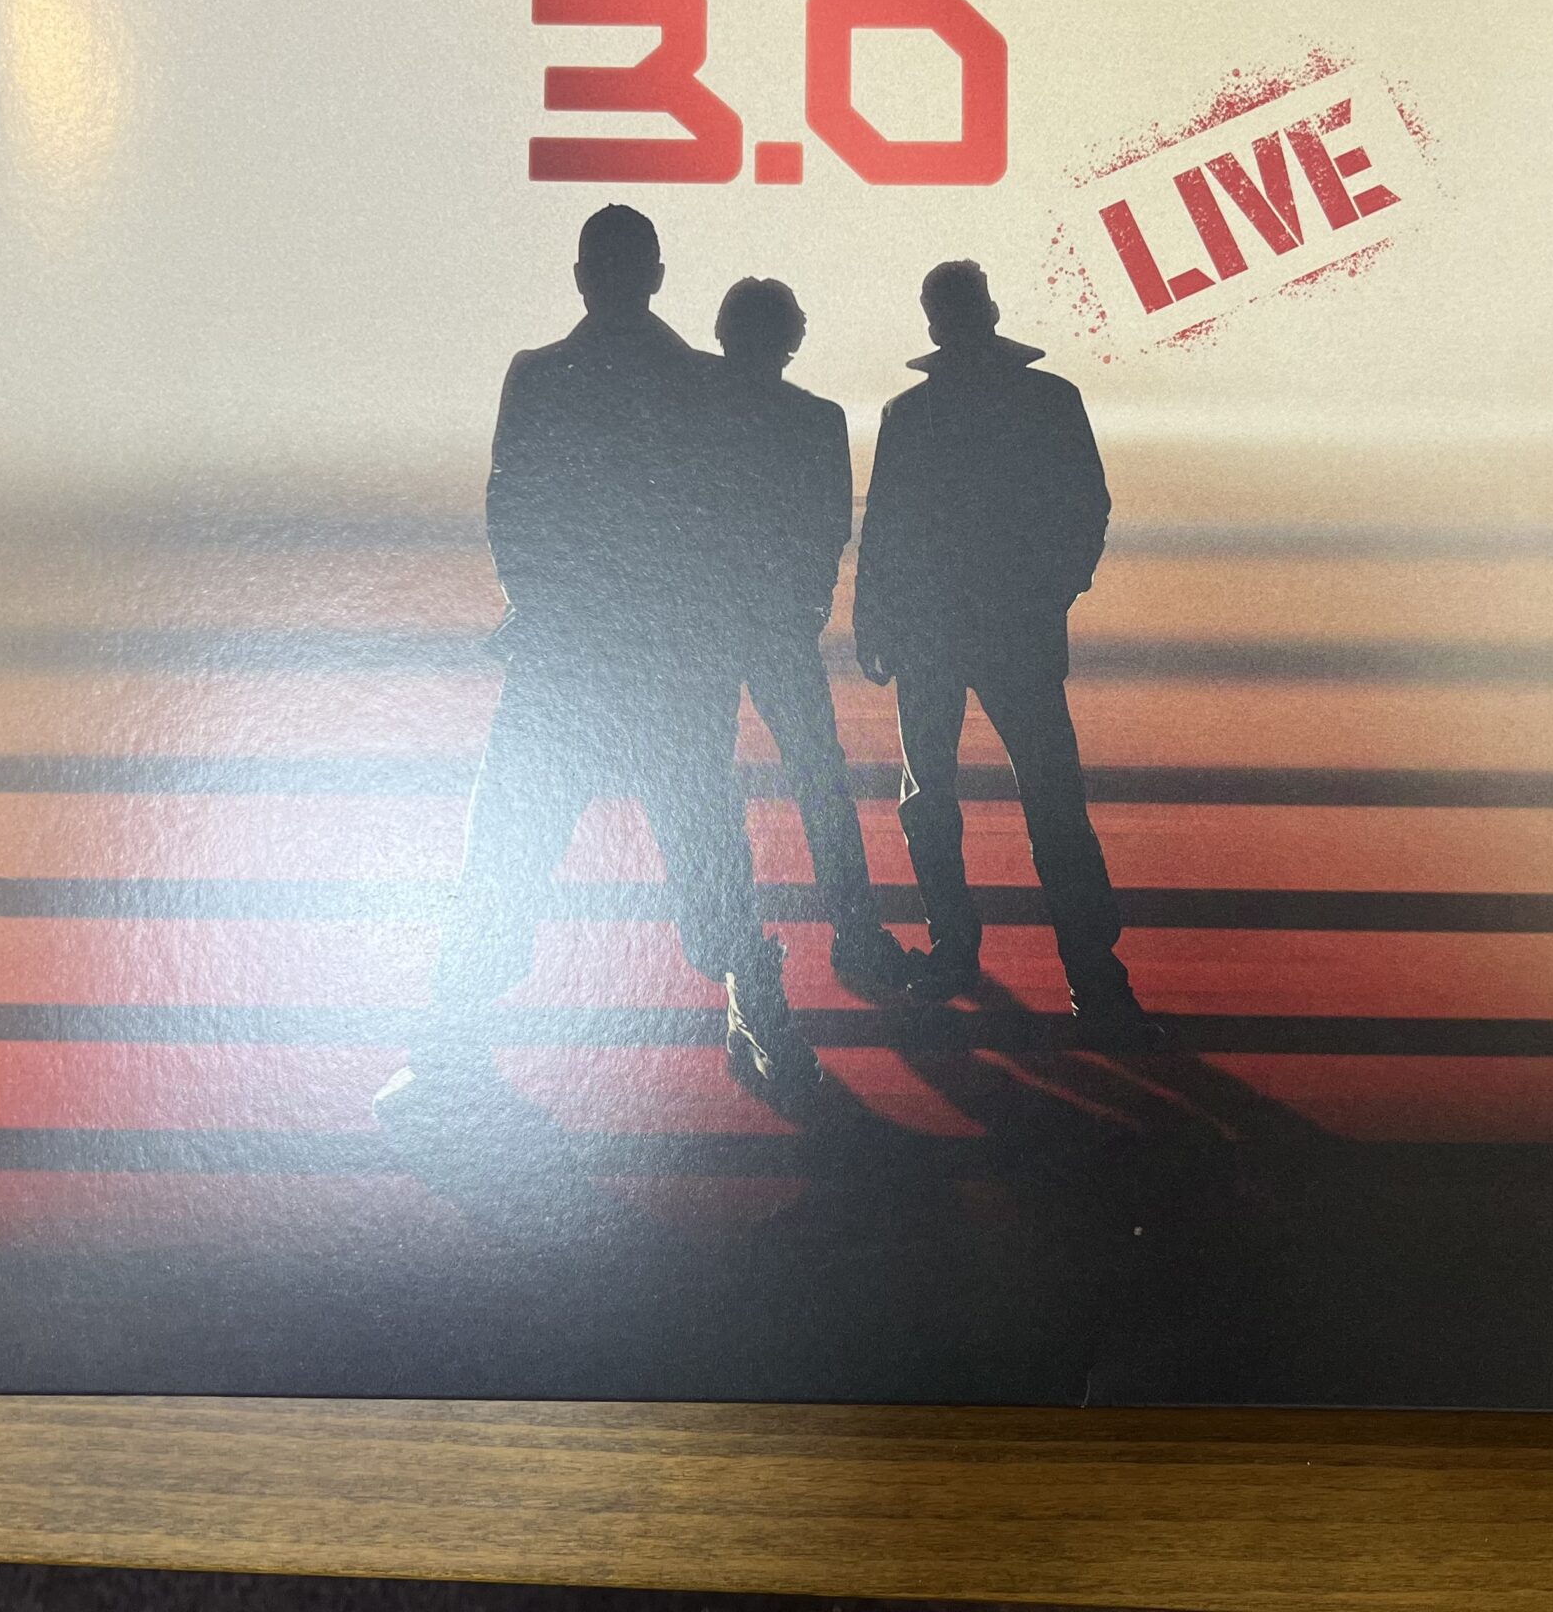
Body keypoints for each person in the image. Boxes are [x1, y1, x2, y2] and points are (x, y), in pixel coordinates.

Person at [380, 207, 821, 1136]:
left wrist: (549, 607)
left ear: (584, 276)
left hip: (567, 657)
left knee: (511, 849)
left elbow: (512, 505)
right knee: (704, 844)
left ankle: (452, 1042)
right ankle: (754, 1009)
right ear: (656, 276)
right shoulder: (703, 384)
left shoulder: (541, 375)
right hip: (666, 658)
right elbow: (723, 521)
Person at [852, 259, 1164, 1053]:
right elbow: (1085, 506)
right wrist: (1053, 591)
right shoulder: (1048, 400)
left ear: (934, 324)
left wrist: (874, 620)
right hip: (1009, 630)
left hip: (932, 631)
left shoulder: (910, 413)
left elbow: (884, 528)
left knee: (932, 796)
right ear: (990, 312)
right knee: (1050, 799)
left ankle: (956, 950)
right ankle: (1093, 973)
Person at [707, 278, 917, 997]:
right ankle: (855, 934)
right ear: (793, 339)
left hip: (708, 623)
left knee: (711, 782)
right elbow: (831, 526)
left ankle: (736, 947)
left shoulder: (693, 413)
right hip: (779, 625)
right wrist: (808, 602)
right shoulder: (817, 419)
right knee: (820, 778)